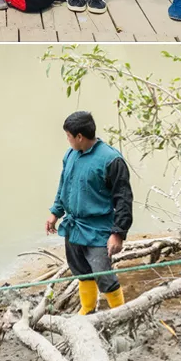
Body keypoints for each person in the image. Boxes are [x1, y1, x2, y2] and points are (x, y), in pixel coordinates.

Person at [45, 111, 133, 314]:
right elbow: (63, 186)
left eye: (68, 135)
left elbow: (124, 200)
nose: (67, 140)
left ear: (79, 137)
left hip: (98, 229)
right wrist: (55, 213)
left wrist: (118, 233)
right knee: (82, 272)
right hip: (74, 227)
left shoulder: (111, 160)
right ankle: (87, 311)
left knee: (104, 275)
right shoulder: (70, 155)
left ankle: (120, 315)